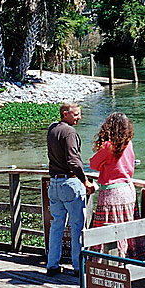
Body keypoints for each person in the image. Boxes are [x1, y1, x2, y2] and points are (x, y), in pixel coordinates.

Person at [46, 102, 95, 277]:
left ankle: (52, 264)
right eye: (76, 114)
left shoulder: (52, 129)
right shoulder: (69, 132)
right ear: (65, 113)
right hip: (70, 183)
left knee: (57, 225)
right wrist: (86, 181)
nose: (79, 117)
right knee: (77, 227)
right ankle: (78, 267)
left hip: (54, 183)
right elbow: (73, 161)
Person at [89, 111, 137, 258]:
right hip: (128, 189)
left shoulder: (108, 146)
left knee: (109, 228)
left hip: (111, 193)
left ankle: (109, 262)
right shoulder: (128, 144)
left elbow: (93, 164)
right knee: (127, 226)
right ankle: (129, 259)